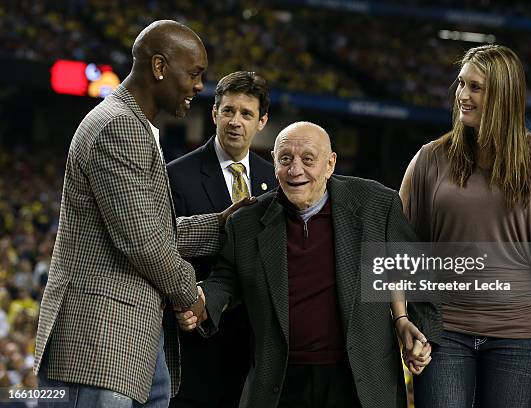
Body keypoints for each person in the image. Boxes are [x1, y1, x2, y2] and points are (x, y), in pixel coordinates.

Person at [34, 20, 251, 407]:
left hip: (132, 340)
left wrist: (219, 224)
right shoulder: (120, 126)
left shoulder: (136, 125)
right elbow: (144, 242)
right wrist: (193, 297)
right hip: (98, 342)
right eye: (195, 73)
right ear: (159, 67)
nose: (200, 86)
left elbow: (153, 228)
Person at [177, 121, 440, 408]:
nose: (295, 170)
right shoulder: (246, 223)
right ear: (274, 163)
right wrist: (203, 301)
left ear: (330, 164)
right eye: (285, 159)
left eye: (308, 159)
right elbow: (226, 280)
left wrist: (415, 328)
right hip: (281, 383)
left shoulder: (376, 204)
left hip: (358, 381)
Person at [399, 44, 531, 408]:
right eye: (461, 84)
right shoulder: (430, 158)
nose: (462, 95)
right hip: (443, 332)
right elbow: (399, 247)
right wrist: (402, 319)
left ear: (504, 96)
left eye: (475, 87)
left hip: (520, 337)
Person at [167, 71, 278, 408]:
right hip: (195, 349)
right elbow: (165, 245)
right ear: (214, 114)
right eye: (228, 111)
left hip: (254, 353)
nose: (235, 121)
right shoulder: (176, 174)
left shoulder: (274, 180)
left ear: (262, 122)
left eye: (246, 114)